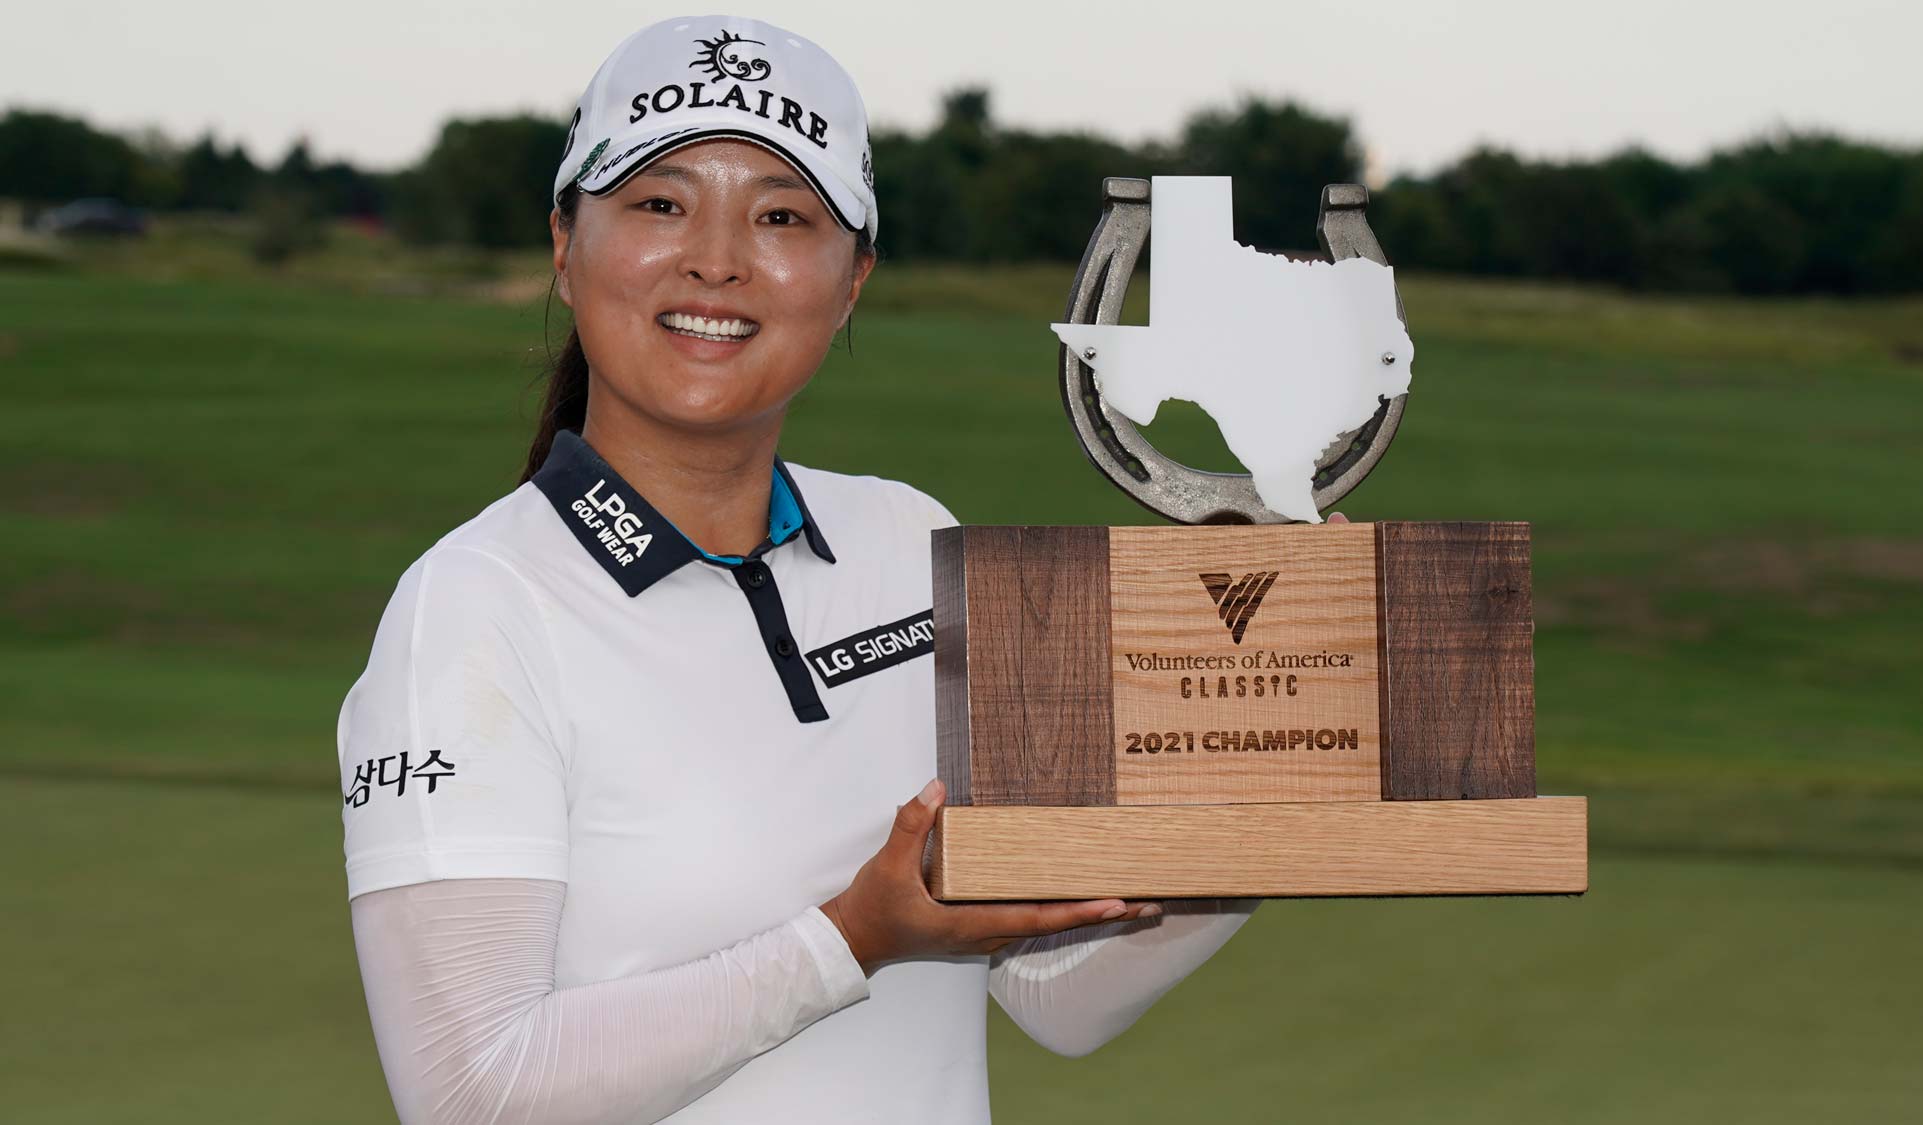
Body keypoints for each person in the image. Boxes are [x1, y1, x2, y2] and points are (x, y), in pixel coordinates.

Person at [336, 15, 1259, 1124]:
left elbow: (1046, 990)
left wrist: (1257, 834)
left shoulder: (911, 544)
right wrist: (852, 936)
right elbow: (472, 1091)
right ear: (564, 245)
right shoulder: (474, 606)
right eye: (658, 203)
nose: (715, 260)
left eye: (782, 215)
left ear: (853, 276)